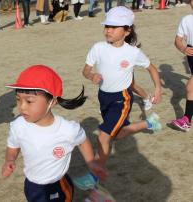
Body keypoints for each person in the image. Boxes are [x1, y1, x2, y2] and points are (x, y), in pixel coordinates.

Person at [76, 6, 162, 189]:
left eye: (114, 27)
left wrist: (158, 89)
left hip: (122, 99)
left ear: (127, 30)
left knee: (104, 137)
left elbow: (152, 68)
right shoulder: (98, 48)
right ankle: (150, 123)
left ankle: (94, 176)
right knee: (119, 134)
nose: (108, 30)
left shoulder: (132, 52)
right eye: (107, 26)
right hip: (103, 97)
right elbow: (85, 70)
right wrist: (92, 76)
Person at [1, 65, 107, 202]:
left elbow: (82, 140)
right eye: (18, 99)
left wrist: (91, 162)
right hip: (31, 185)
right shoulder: (18, 125)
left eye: (29, 101)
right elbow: (13, 145)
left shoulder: (67, 129)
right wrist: (9, 159)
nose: (22, 106)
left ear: (52, 101)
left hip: (58, 186)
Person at [170, 0, 193, 132]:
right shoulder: (186, 19)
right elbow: (177, 40)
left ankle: (186, 120)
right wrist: (183, 49)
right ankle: (187, 120)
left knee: (190, 87)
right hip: (190, 55)